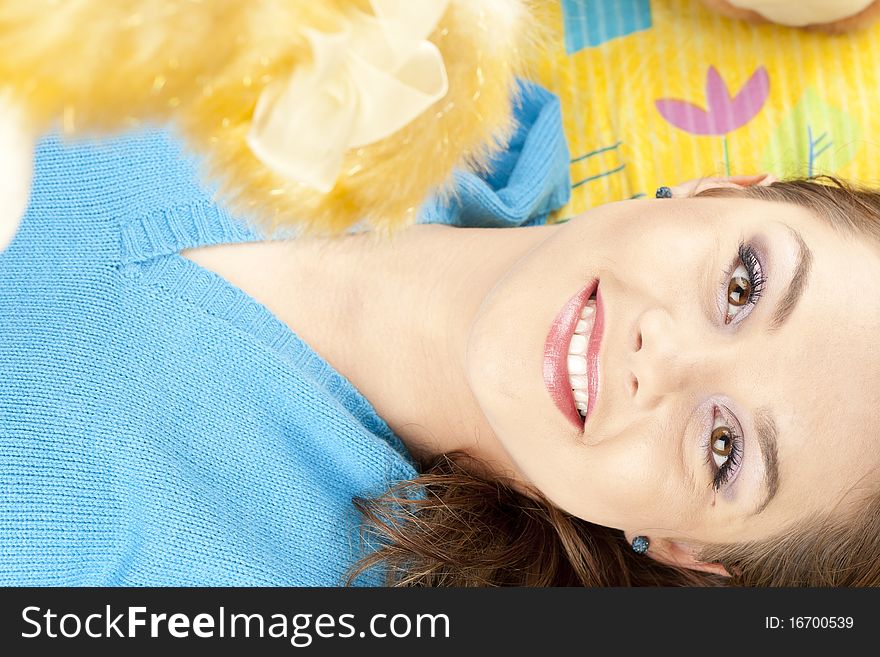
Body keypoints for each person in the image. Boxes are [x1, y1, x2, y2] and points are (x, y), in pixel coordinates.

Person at [3, 122, 880, 586]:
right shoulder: (426, 67)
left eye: (725, 449)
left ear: (686, 547)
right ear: (718, 189)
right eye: (744, 283)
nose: (663, 358)